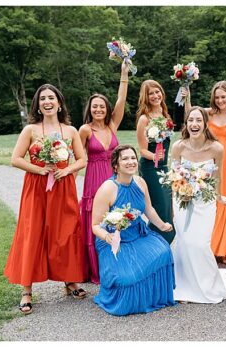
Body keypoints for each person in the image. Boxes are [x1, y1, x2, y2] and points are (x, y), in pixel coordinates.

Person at [4, 84, 89, 314]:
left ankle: (69, 281)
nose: (47, 101)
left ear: (59, 103)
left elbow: (82, 160)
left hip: (63, 185)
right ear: (38, 105)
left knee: (66, 232)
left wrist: (68, 169)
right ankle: (26, 289)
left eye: (51, 97)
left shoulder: (70, 131)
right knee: (33, 232)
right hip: (37, 186)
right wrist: (39, 169)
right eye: (43, 99)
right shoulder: (30, 129)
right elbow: (15, 159)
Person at [91, 145, 176, 316]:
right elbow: (95, 226)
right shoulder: (107, 189)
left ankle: (153, 296)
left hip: (138, 235)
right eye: (125, 159)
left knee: (164, 251)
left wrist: (162, 225)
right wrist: (107, 237)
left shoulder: (140, 182)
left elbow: (149, 210)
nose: (131, 162)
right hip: (113, 240)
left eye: (133, 158)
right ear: (116, 165)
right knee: (128, 279)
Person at [168, 106, 226, 303]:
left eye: (198, 120)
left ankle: (206, 285)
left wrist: (220, 196)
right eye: (191, 120)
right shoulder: (178, 146)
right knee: (184, 242)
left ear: (205, 123)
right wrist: (174, 205)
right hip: (182, 200)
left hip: (205, 201)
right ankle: (184, 286)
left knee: (200, 243)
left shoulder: (216, 148)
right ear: (186, 124)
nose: (194, 124)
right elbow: (174, 177)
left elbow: (217, 176)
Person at [77, 61, 130, 284]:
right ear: (89, 109)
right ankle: (96, 268)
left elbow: (121, 100)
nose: (98, 109)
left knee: (117, 217)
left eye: (102, 106)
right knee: (96, 220)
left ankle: (117, 260)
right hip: (94, 179)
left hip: (114, 177)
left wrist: (124, 74)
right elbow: (78, 159)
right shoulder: (84, 130)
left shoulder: (112, 126)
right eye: (94, 106)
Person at [185, 80, 226, 263]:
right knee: (212, 199)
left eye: (223, 97)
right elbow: (190, 113)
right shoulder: (208, 114)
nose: (220, 100)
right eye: (217, 97)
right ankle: (211, 245)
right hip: (212, 160)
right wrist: (186, 92)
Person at [134, 79, 176, 244]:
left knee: (168, 208)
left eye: (157, 91)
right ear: (145, 97)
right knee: (158, 208)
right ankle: (153, 245)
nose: (155, 95)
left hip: (164, 167)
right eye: (151, 93)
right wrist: (154, 157)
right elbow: (142, 150)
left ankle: (163, 244)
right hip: (150, 168)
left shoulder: (165, 116)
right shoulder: (144, 119)